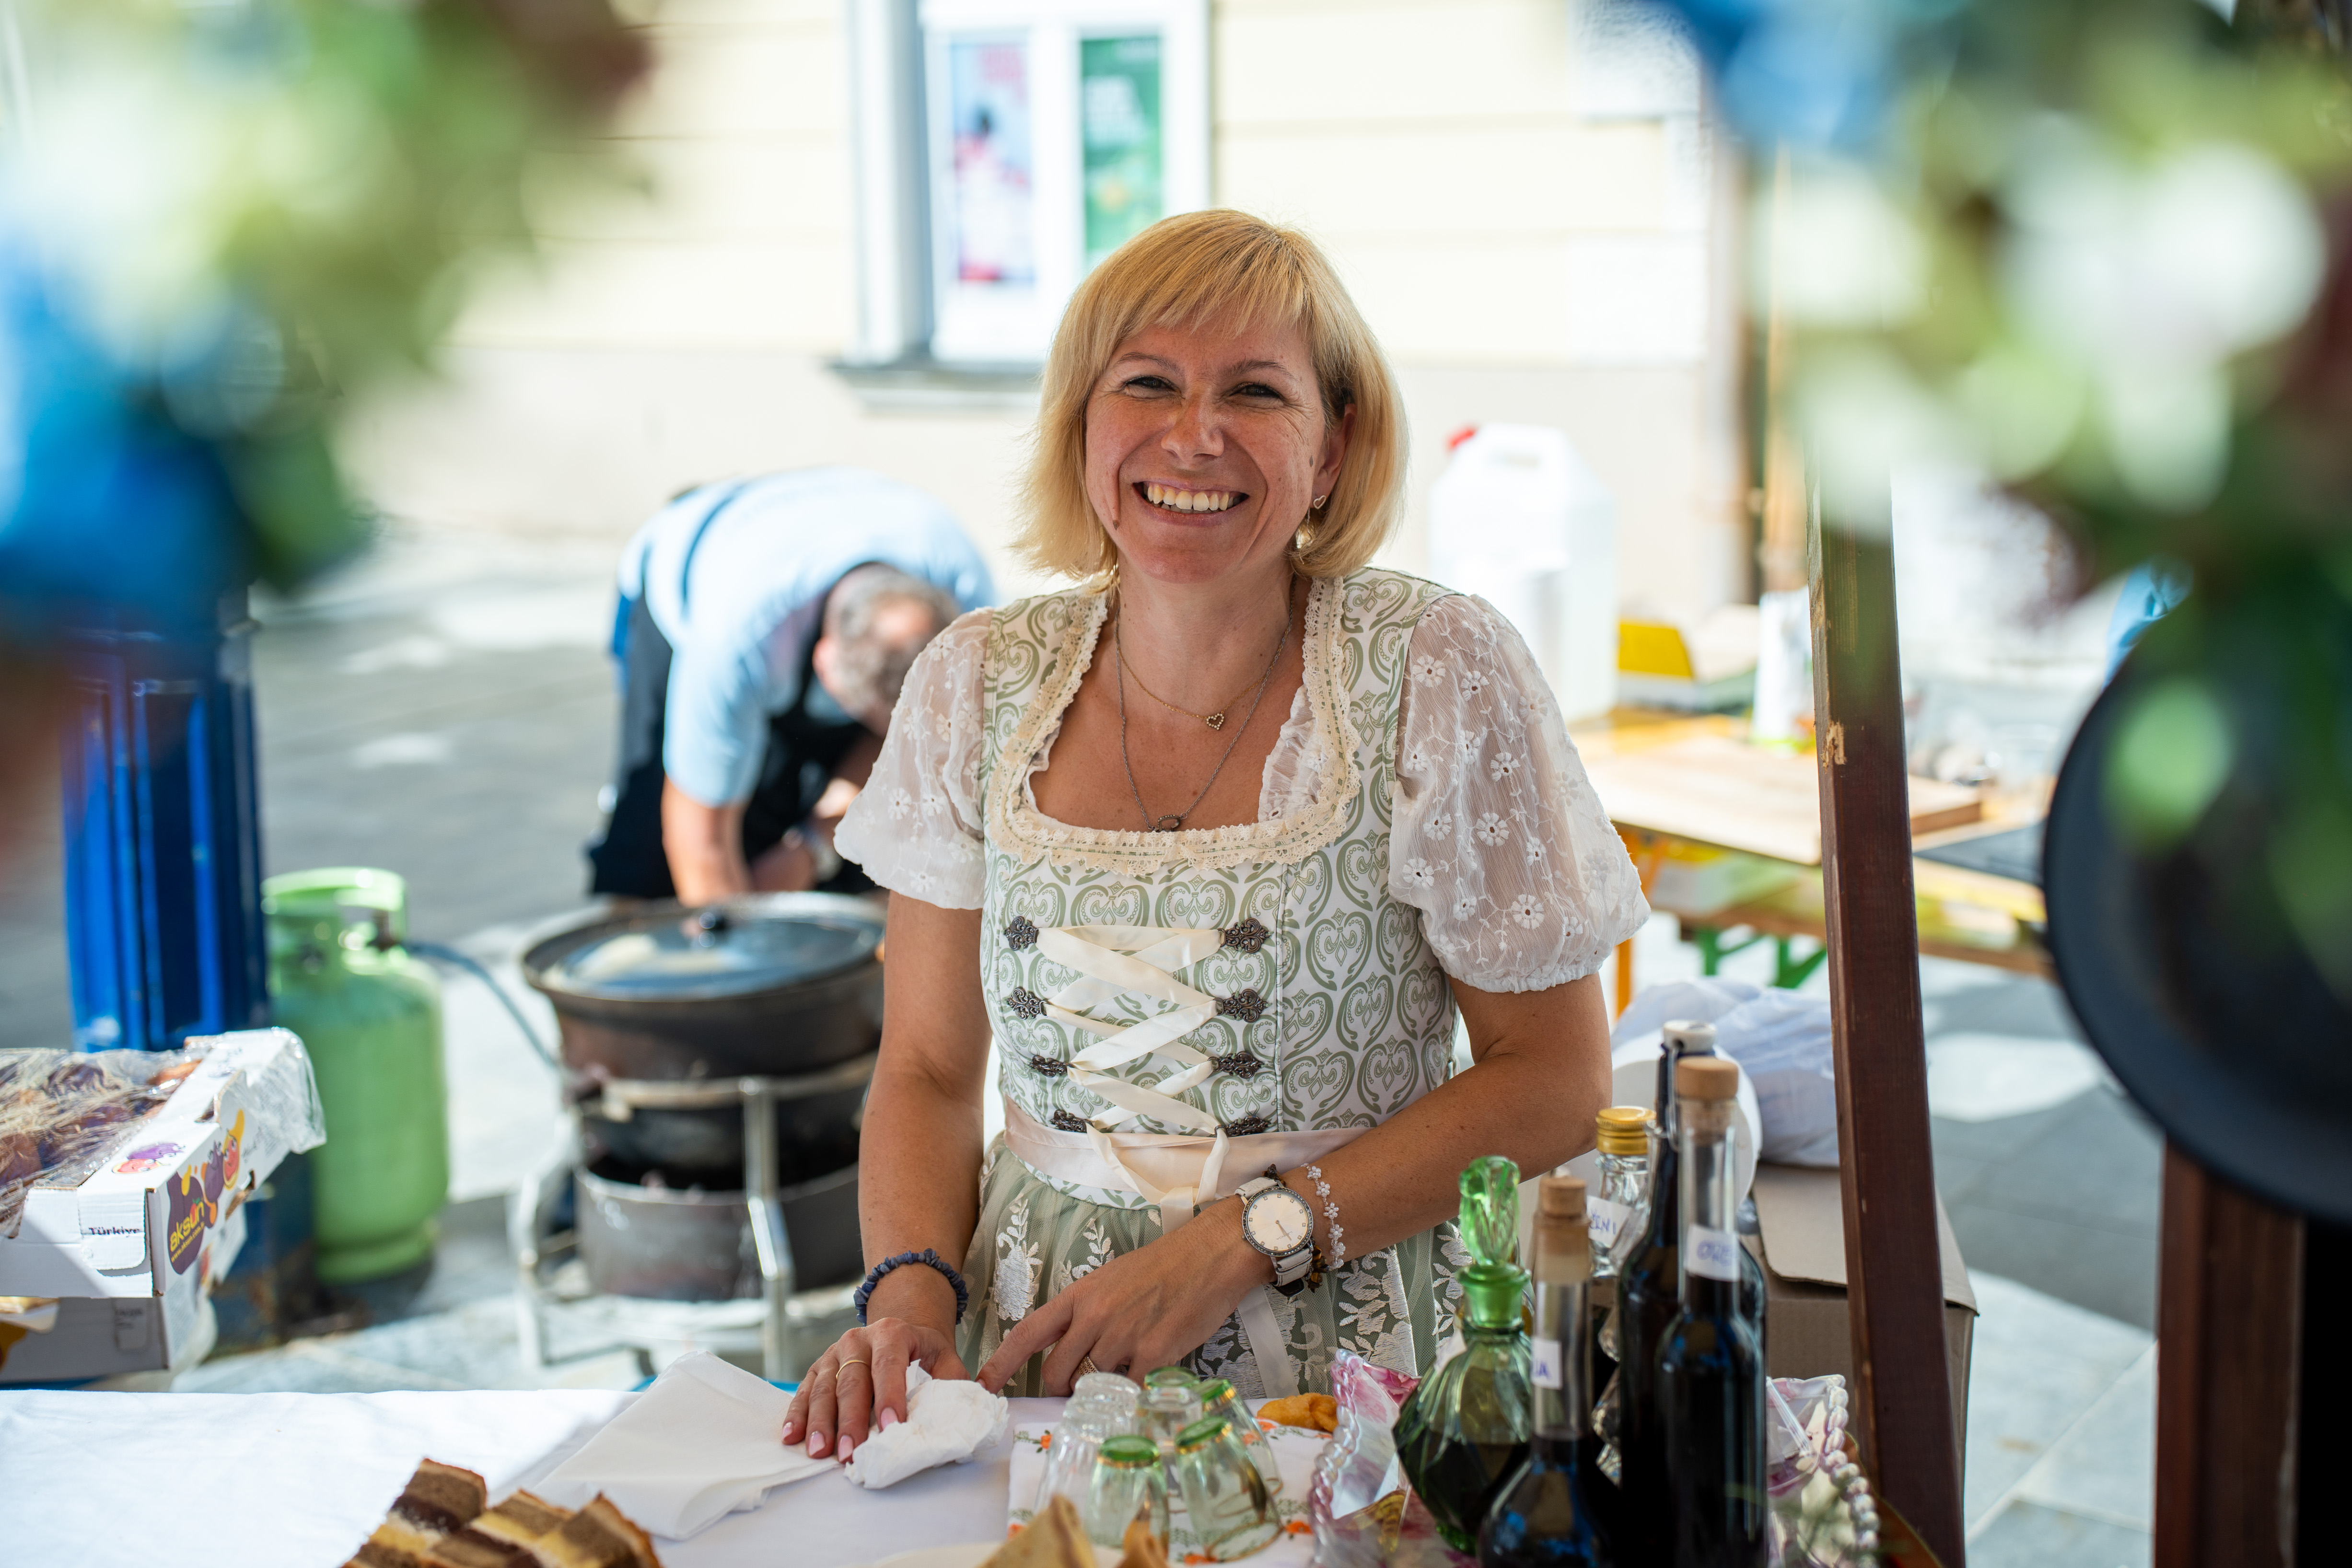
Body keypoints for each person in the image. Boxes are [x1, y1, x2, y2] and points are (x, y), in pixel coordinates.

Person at [787, 210, 1648, 1463]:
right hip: (1038, 1347)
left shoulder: (1433, 665)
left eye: (1255, 391)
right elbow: (924, 1066)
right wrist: (910, 1292)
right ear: (1082, 425)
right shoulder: (975, 679)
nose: (1194, 434)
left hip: (1357, 1341)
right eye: (1145, 382)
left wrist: (1253, 1230)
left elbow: (1556, 1077)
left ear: (1333, 446)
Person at [586, 467, 994, 904]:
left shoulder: (970, 607)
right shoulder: (734, 642)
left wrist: (813, 845)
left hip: (845, 526)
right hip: (687, 556)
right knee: (651, 861)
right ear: (827, 668)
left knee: (892, 832)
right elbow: (701, 843)